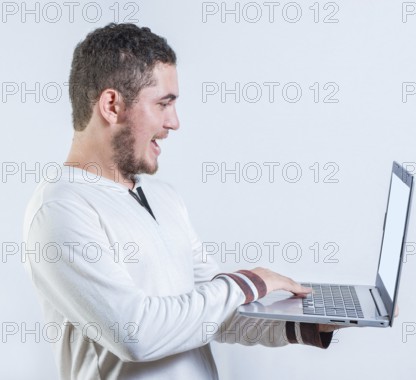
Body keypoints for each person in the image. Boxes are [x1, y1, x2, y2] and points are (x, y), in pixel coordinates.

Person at [22, 23, 336, 380]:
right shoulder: (60, 209)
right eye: (163, 104)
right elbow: (135, 333)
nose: (174, 122)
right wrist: (251, 282)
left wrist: (310, 324)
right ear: (112, 105)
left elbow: (214, 313)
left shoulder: (163, 198)